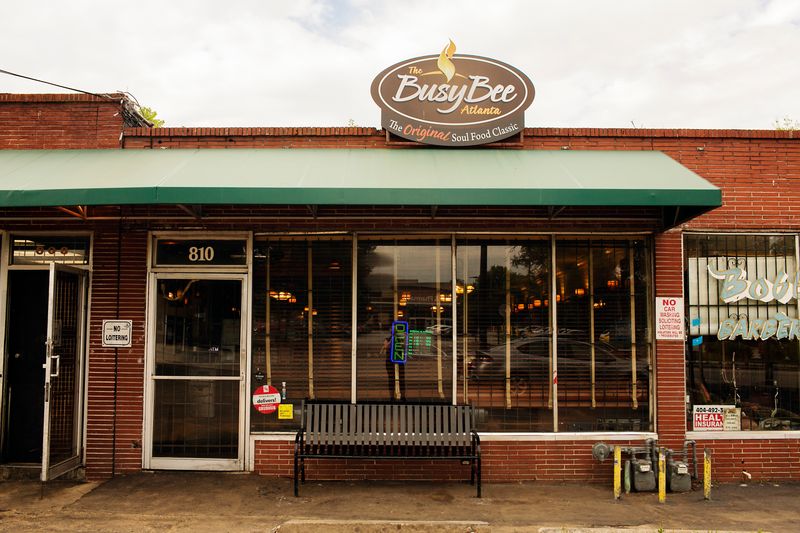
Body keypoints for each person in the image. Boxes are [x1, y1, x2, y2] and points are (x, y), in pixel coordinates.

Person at [382, 336, 406, 401]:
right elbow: (386, 346)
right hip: (390, 362)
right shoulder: (388, 338)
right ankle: (392, 397)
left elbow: (404, 346)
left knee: (401, 379)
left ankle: (403, 397)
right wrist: (391, 340)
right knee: (391, 379)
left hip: (399, 360)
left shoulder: (401, 338)